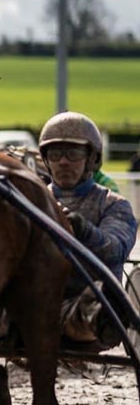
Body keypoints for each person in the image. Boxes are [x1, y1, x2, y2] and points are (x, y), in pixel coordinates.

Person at [41, 111, 138, 347]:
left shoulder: (114, 205)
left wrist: (82, 228)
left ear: (92, 159)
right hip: (34, 306)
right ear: (46, 160)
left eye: (73, 154)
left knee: (102, 293)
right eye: (55, 154)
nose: (63, 162)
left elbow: (115, 250)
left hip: (84, 311)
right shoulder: (32, 200)